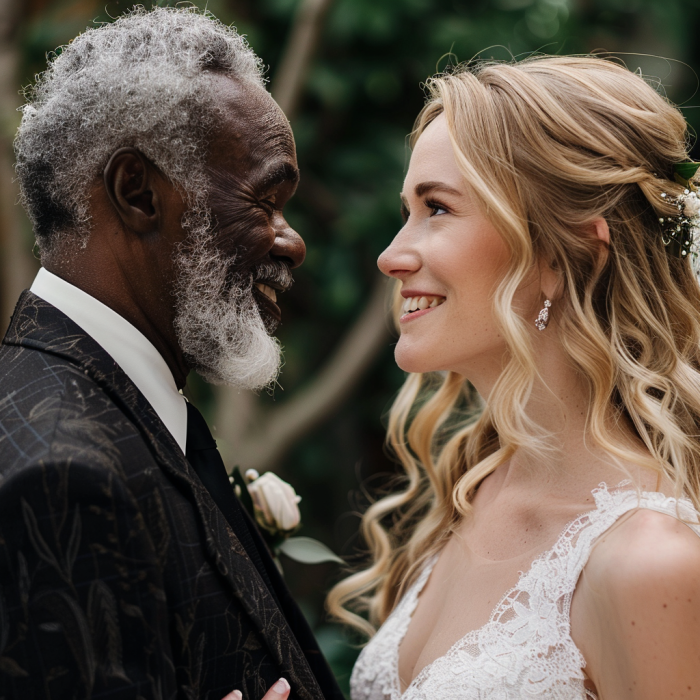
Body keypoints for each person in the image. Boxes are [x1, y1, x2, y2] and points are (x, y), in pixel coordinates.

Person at [329, 56, 700, 699]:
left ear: (564, 255)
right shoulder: (470, 494)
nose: (391, 256)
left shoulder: (651, 564)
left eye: (436, 208)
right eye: (406, 210)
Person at [0, 7, 343, 700]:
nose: (291, 241)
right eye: (265, 199)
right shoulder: (65, 476)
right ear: (138, 192)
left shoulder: (122, 410)